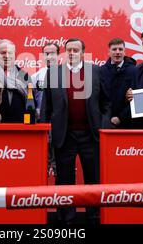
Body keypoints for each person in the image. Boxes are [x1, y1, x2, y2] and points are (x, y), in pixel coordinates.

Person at [40, 38, 110, 224]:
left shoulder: (95, 71)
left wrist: (102, 123)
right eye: (69, 49)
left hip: (90, 134)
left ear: (83, 52)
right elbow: (46, 105)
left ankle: (94, 216)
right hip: (64, 135)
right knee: (64, 179)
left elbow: (106, 102)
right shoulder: (54, 72)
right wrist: (44, 129)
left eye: (76, 50)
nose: (72, 53)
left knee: (93, 178)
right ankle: (66, 218)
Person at [0, 39, 33, 123]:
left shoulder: (24, 76)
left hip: (20, 128)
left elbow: (30, 105)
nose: (7, 56)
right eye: (3, 53)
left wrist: (29, 125)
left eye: (10, 53)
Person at [31, 43, 60, 177]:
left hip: (60, 120)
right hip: (42, 120)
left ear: (58, 55)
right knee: (45, 148)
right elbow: (31, 99)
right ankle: (46, 171)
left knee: (59, 148)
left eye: (52, 53)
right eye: (46, 53)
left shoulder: (65, 74)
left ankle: (56, 169)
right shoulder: (36, 76)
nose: (49, 56)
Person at [100, 38, 136, 128]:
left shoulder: (134, 71)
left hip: (129, 122)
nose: (117, 52)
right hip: (106, 122)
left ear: (124, 52)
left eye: (120, 49)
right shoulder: (101, 71)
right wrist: (107, 117)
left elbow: (137, 98)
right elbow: (100, 98)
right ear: (109, 52)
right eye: (114, 49)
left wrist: (121, 117)